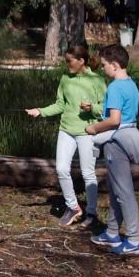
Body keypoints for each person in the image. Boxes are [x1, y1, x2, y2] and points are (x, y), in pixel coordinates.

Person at [24, 42, 107, 226]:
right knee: (61, 168)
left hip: (87, 132)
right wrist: (40, 111)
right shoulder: (65, 78)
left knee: (88, 173)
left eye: (70, 61)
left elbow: (106, 109)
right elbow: (60, 104)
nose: (67, 64)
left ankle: (91, 213)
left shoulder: (97, 81)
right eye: (66, 61)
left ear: (81, 61)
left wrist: (92, 108)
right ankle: (73, 207)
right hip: (66, 130)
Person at [86, 43, 139, 255]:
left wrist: (94, 128)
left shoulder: (114, 87)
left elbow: (114, 120)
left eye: (104, 65)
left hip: (117, 142)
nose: (102, 68)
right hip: (129, 135)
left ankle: (134, 239)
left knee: (123, 190)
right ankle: (112, 232)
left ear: (114, 65)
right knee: (115, 189)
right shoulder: (131, 84)